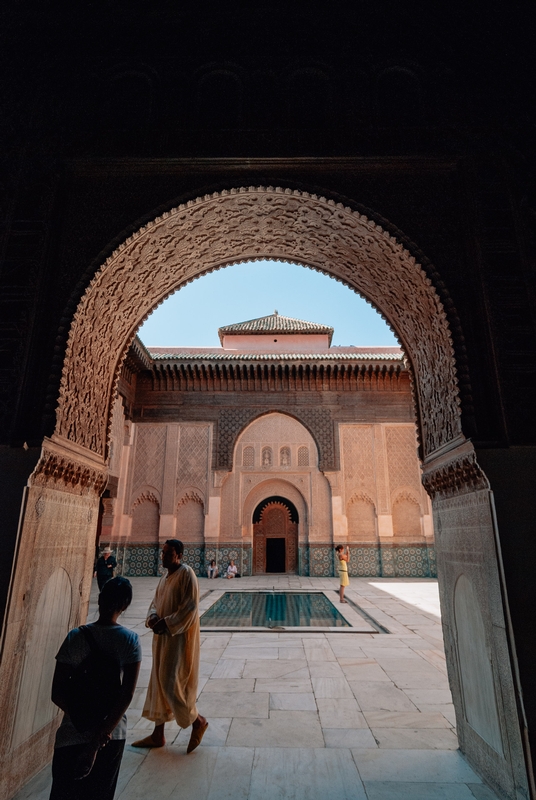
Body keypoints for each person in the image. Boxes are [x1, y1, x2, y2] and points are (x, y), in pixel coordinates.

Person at [49, 577, 141, 800]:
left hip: (73, 732)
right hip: (110, 736)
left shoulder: (75, 637)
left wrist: (84, 719)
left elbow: (57, 693)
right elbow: (126, 695)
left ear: (99, 599)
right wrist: (99, 735)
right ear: (124, 606)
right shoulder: (130, 640)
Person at [132, 539, 208, 752]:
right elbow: (154, 603)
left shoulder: (187, 575)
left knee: (170, 681)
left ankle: (198, 721)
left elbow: (190, 608)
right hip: (162, 637)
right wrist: (153, 617)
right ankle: (158, 734)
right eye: (163, 553)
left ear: (179, 555)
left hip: (178, 639)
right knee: (158, 680)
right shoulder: (165, 577)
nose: (163, 556)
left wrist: (166, 622)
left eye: (168, 553)